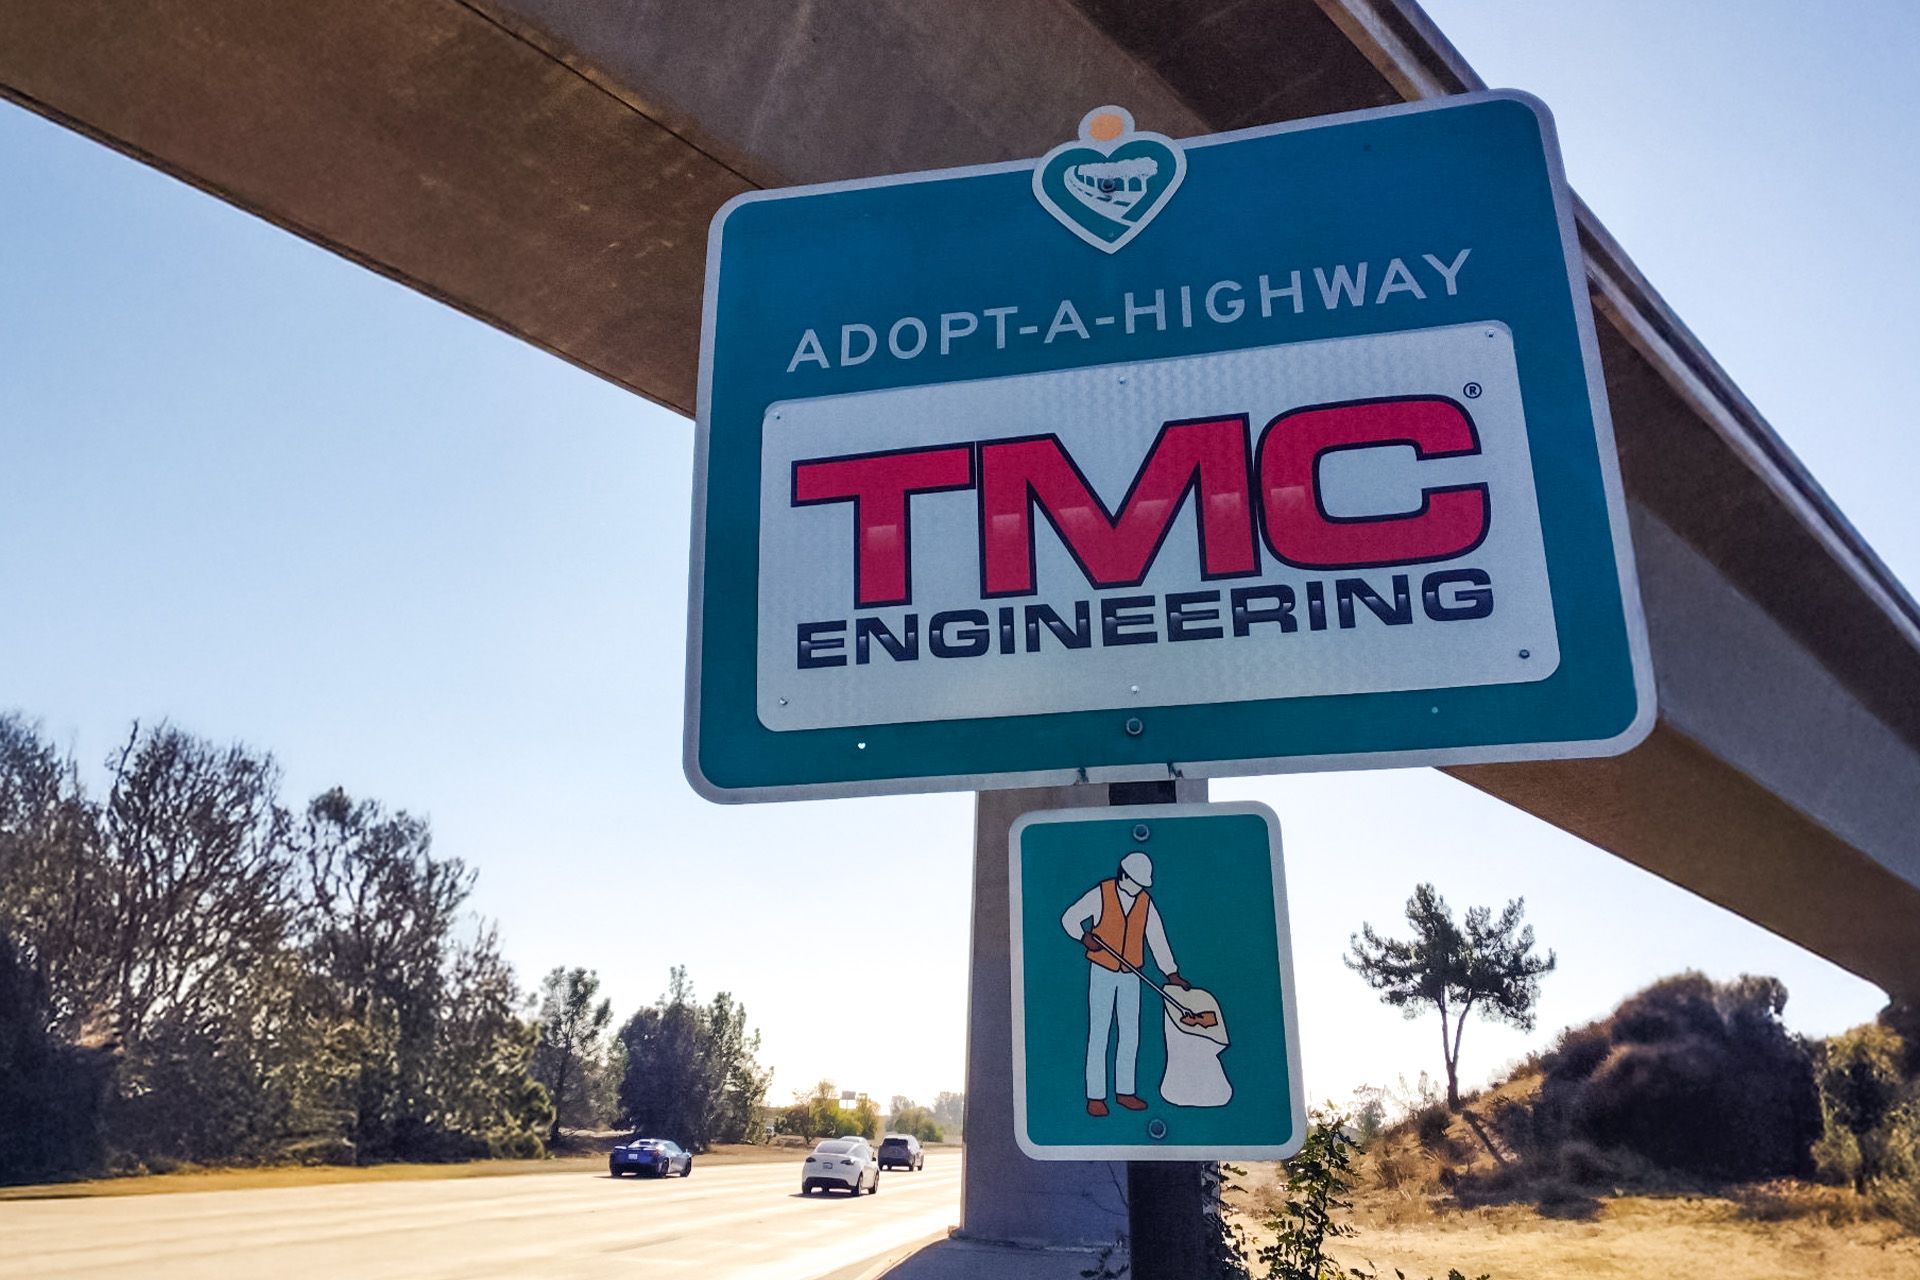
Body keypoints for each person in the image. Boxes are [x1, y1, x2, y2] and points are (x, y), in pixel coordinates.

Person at [1059, 850, 1187, 1117]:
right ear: (1125, 875)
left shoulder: (1145, 902)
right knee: (1100, 1032)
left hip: (1132, 974)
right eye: (1137, 882)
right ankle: (1095, 1096)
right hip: (1102, 971)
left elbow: (1157, 939)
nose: (1140, 888)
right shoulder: (1102, 893)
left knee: (1130, 1033)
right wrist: (1084, 938)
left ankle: (1125, 1092)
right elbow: (1069, 918)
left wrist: (1171, 973)